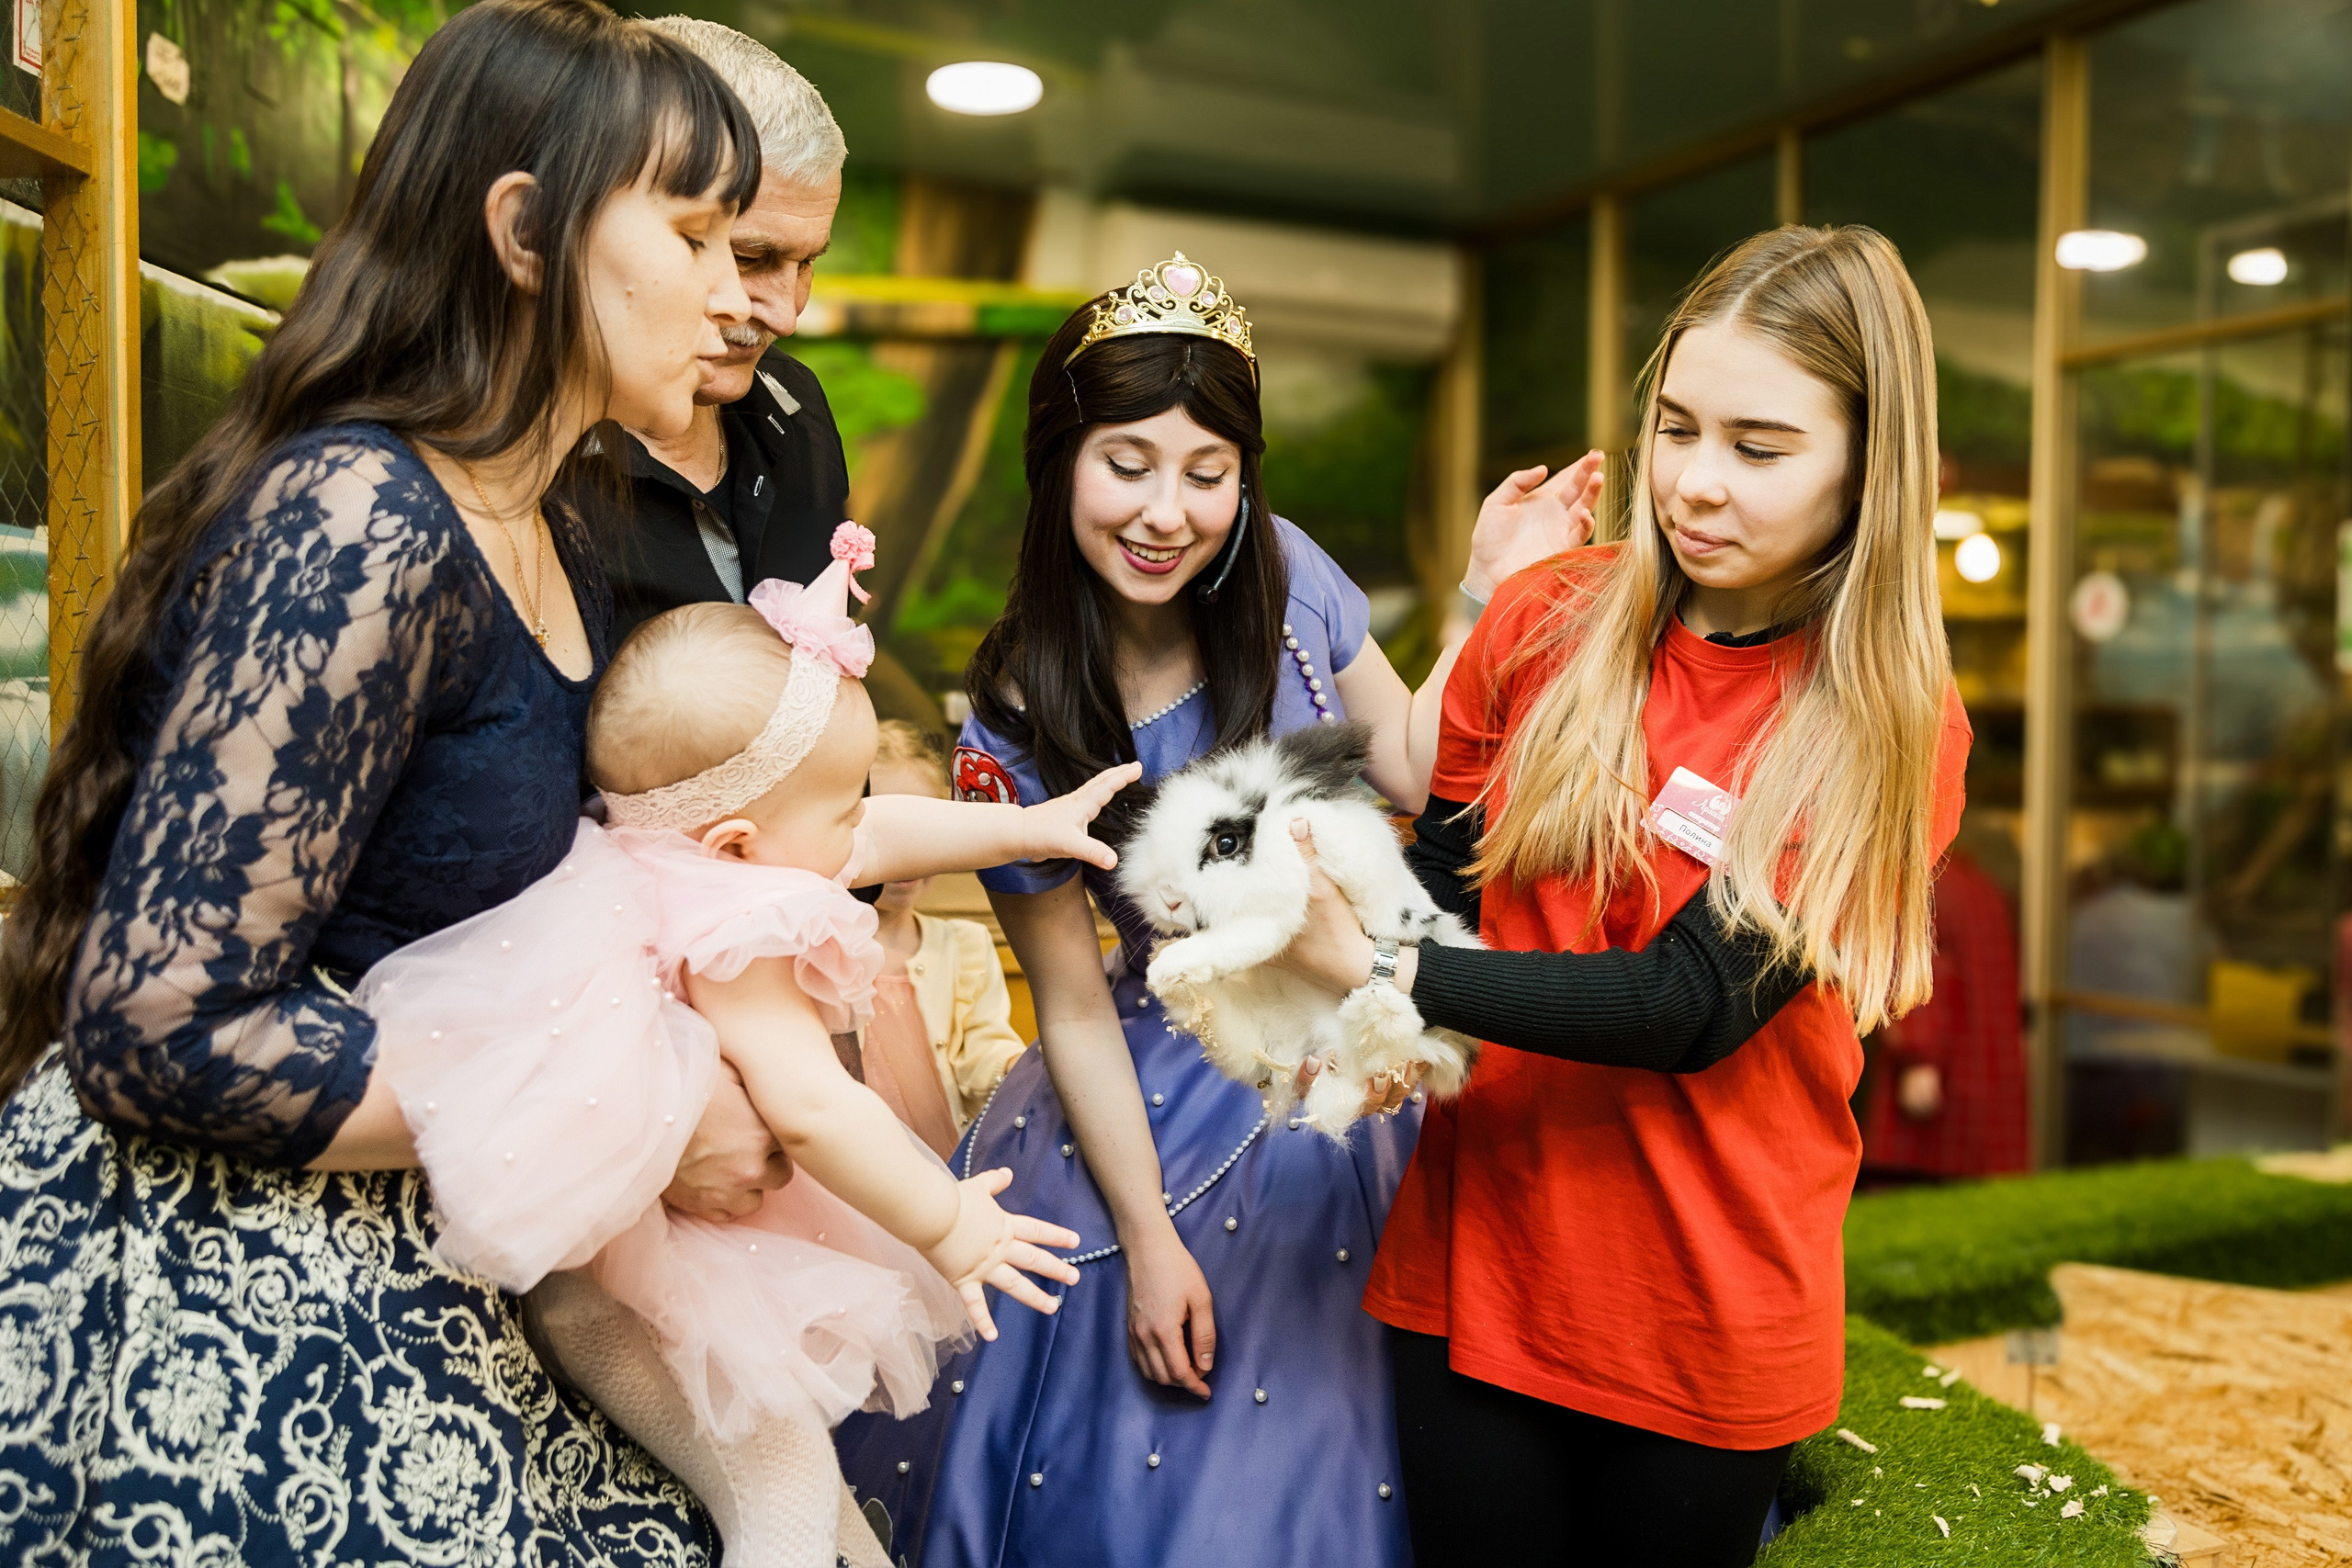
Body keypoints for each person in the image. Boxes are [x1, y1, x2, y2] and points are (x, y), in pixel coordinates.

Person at [0, 3, 784, 1558]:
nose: (739, 295)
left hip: (437, 1250)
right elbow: (161, 1022)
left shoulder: (552, 526)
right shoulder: (362, 517)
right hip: (224, 1289)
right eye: (695, 235)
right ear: (521, 230)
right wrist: (629, 1102)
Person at [835, 254, 1602, 1566]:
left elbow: (1411, 768)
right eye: (1125, 463)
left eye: (1207, 471)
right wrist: (1147, 1242)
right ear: (1059, 459)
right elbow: (1071, 1002)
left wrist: (1488, 589)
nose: (1166, 510)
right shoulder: (1016, 702)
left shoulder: (1291, 577)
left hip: (1356, 1054)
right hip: (1153, 1097)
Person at [1270, 225, 1973, 1567]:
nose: (1698, 483)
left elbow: (1689, 1002)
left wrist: (1376, 969)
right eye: (1676, 427)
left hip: (1702, 1308)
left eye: (1760, 448)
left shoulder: (1885, 716)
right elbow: (1447, 874)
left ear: (1869, 465)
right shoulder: (1550, 617)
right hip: (1475, 1268)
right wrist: (1345, 977)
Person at [359, 529, 1117, 1568]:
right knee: (781, 1500)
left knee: (818, 1502)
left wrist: (1029, 831)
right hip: (654, 1293)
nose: (862, 832)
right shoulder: (739, 929)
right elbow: (811, 1105)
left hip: (613, 1278)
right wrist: (951, 1228)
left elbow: (878, 832)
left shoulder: (656, 854)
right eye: (845, 806)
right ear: (740, 848)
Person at [590, 15, 854, 641]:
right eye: (748, 256)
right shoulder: (518, 454)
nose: (786, 315)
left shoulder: (794, 405)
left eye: (808, 262)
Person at [862, 720, 1030, 1157]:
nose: (907, 855)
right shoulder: (825, 948)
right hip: (856, 1168)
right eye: (887, 833)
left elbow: (981, 1053)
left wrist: (1020, 1068)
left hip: (941, 1159)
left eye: (924, 831)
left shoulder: (965, 948)